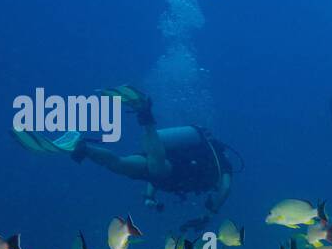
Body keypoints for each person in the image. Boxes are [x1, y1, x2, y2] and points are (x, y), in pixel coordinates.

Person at [12, 86, 235, 212]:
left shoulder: (209, 154)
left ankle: (82, 146)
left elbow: (154, 181)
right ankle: (145, 114)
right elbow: (224, 189)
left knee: (120, 165)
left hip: (163, 170)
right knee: (155, 167)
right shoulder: (223, 162)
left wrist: (149, 198)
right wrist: (212, 210)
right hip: (176, 171)